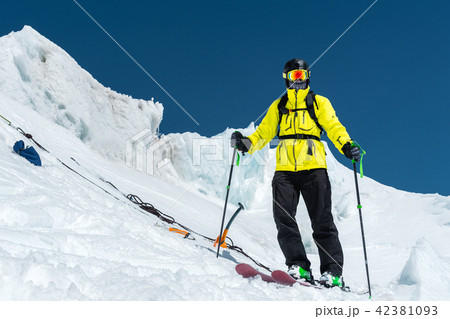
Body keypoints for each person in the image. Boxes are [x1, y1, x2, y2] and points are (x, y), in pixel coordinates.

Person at [231, 58, 361, 288]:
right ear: (287, 80)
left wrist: (346, 145)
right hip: (285, 170)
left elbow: (333, 126)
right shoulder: (279, 105)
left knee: (321, 220)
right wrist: (247, 143)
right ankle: (298, 265)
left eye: (302, 76)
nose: (298, 81)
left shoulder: (318, 102)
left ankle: (332, 272)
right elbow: (264, 132)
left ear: (308, 77)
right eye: (294, 77)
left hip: (314, 168)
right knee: (284, 218)